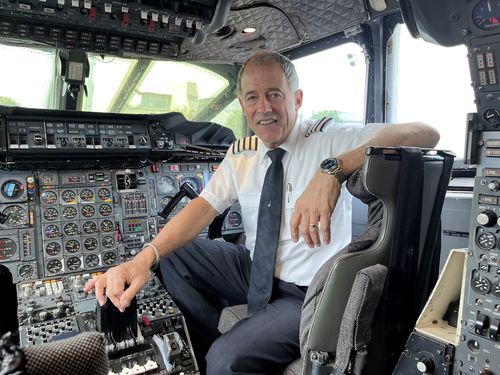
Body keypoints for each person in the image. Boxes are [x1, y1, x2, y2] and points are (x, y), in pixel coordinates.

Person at [84, 50, 439, 374]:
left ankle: (227, 352)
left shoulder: (327, 139)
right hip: (254, 270)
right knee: (173, 253)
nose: (264, 107)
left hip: (305, 292)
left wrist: (334, 168)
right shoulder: (242, 152)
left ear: (296, 99)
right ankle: (209, 338)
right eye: (253, 97)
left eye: (274, 94)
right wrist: (142, 259)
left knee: (226, 361)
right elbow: (202, 209)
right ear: (242, 105)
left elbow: (426, 133)